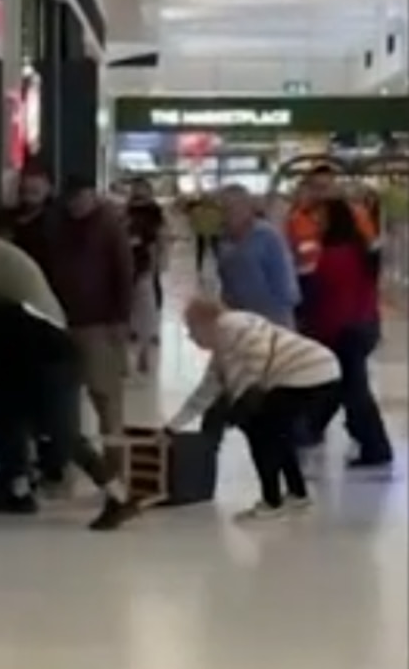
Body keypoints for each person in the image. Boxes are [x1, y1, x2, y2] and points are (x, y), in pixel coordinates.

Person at [0, 215, 135, 531]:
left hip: (49, 355)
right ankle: (17, 491)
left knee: (63, 433)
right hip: (18, 354)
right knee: (3, 418)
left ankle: (119, 496)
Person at [167, 296, 341, 522]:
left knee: (260, 433)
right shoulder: (225, 341)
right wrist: (171, 427)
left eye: (191, 329)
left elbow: (257, 353)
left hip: (304, 377)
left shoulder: (230, 325)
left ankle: (272, 501)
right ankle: (297, 494)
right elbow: (205, 393)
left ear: (205, 322)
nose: (191, 337)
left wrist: (244, 401)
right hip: (323, 374)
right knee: (279, 434)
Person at [48, 176, 134, 473]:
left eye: (80, 198)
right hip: (62, 323)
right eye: (70, 200)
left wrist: (121, 319)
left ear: (91, 195)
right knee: (64, 398)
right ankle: (69, 465)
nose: (75, 205)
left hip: (99, 324)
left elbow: (124, 272)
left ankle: (116, 467)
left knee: (106, 398)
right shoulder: (60, 224)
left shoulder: (109, 226)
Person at [301, 197, 392, 470]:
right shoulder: (360, 251)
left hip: (343, 330)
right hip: (364, 325)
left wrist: (314, 328)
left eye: (321, 218)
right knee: (341, 386)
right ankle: (311, 429)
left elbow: (328, 300)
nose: (316, 223)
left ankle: (375, 446)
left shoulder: (333, 257)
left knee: (353, 392)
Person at [216, 185, 300, 327]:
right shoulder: (225, 242)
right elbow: (227, 283)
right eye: (224, 209)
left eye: (234, 208)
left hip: (273, 320)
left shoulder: (266, 237)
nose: (228, 214)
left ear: (248, 208)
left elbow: (285, 285)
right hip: (242, 320)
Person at [126, 177, 165, 373]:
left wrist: (156, 263)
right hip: (127, 266)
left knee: (147, 306)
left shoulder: (153, 212)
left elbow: (156, 240)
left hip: (143, 266)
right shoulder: (125, 211)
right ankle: (137, 344)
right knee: (132, 308)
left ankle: (144, 348)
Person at [8, 157, 61, 280]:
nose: (29, 183)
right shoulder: (0, 220)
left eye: (35, 189)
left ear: (50, 187)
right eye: (27, 177)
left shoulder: (57, 225)